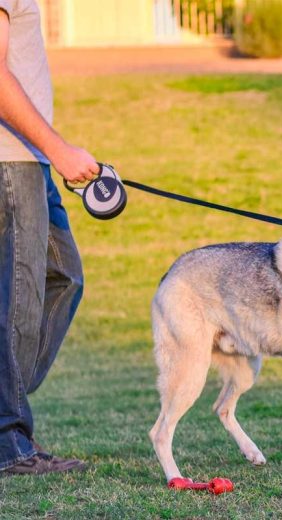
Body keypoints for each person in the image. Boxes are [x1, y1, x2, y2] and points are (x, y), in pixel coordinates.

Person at [0, 0, 99, 475]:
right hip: (10, 161)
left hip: (31, 161)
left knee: (64, 275)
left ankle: (6, 408)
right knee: (19, 299)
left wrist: (50, 156)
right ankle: (9, 444)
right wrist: (59, 149)